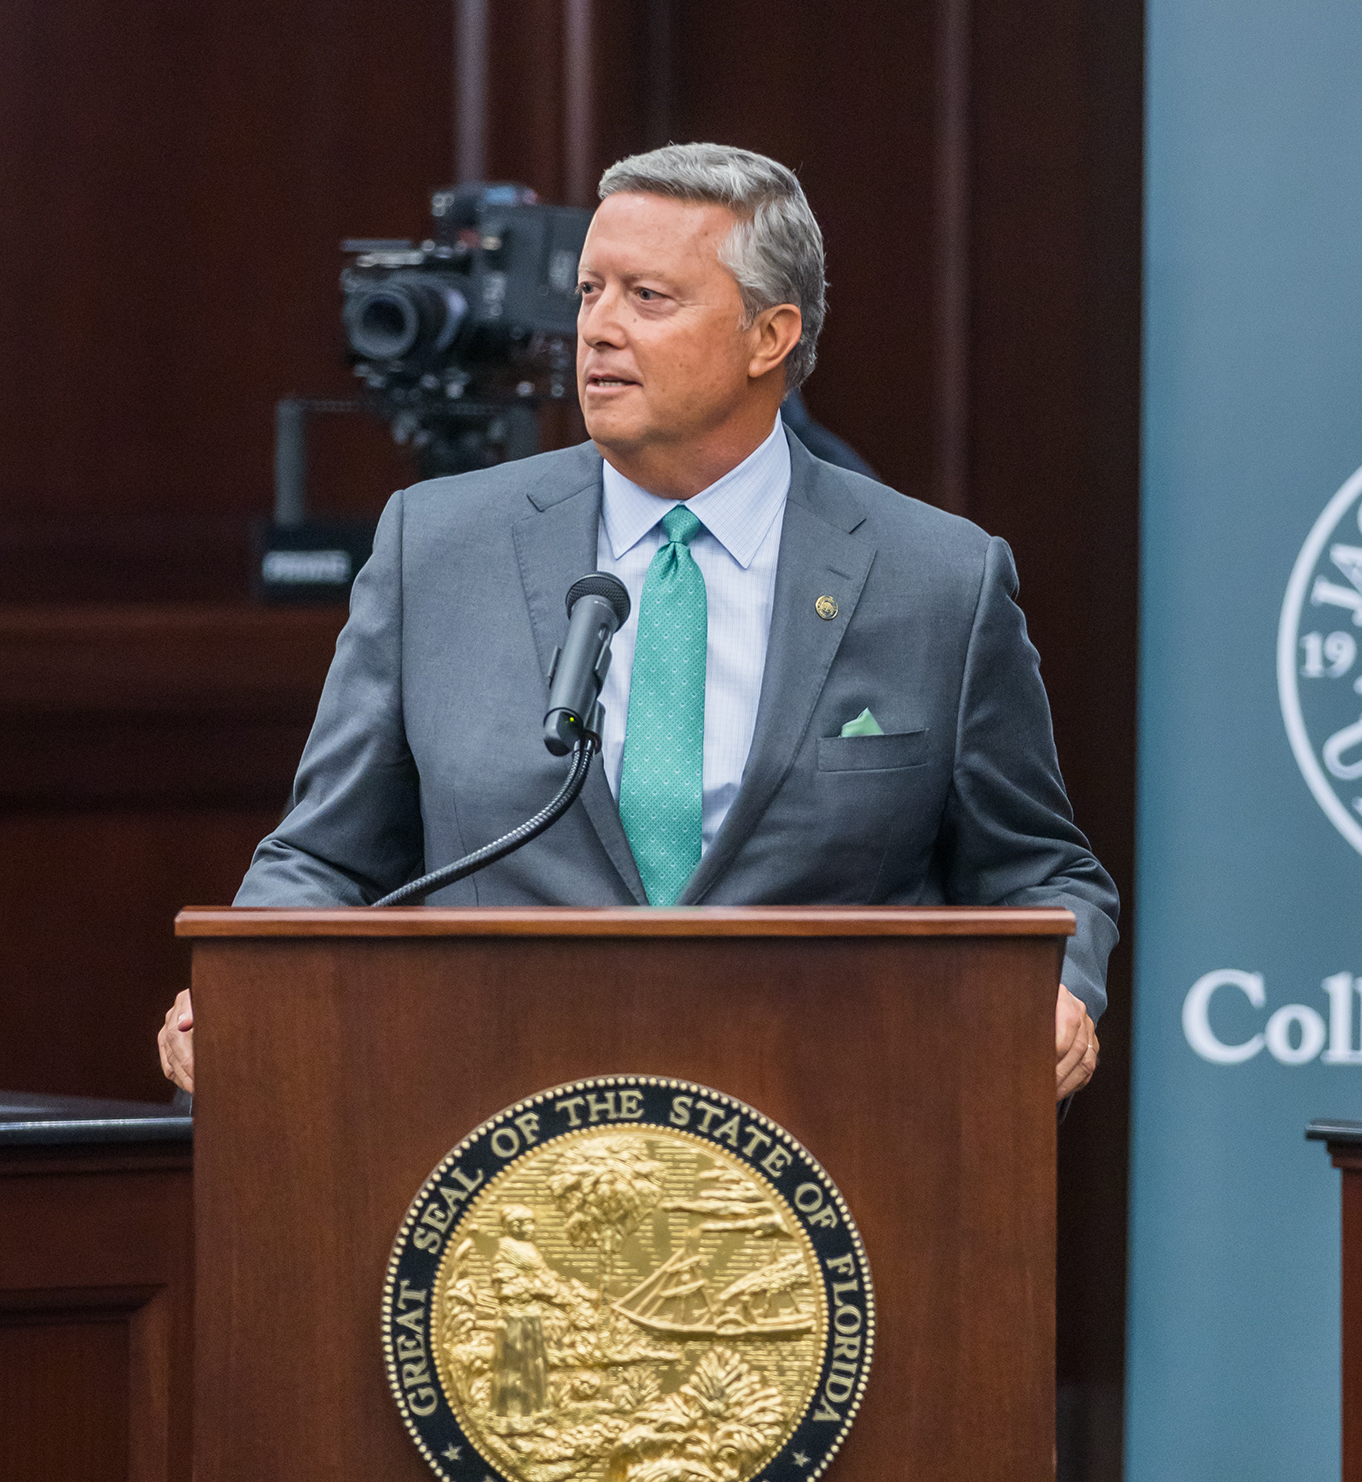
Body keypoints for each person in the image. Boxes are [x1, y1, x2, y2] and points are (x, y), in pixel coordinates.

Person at [157, 142, 1116, 1103]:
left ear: (768, 336)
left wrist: (1057, 991)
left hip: (829, 1121)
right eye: (587, 293)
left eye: (647, 298)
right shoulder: (438, 546)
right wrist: (245, 979)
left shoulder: (938, 578)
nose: (598, 329)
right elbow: (324, 856)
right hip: (495, 1128)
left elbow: (1039, 870)